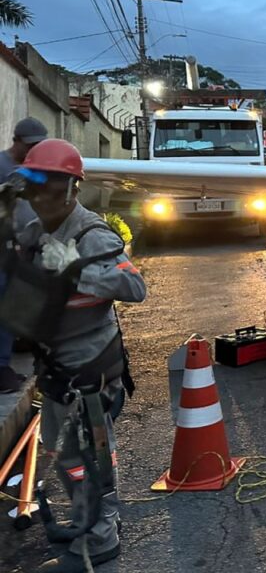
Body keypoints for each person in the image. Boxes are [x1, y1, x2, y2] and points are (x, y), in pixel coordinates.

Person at [12, 139, 146, 571]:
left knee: (86, 459)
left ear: (71, 189)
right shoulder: (35, 231)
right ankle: (93, 524)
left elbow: (134, 288)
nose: (40, 198)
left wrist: (77, 265)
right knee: (63, 453)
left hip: (90, 373)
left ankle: (100, 537)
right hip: (55, 370)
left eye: (50, 188)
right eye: (34, 189)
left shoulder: (92, 235)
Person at [0, 116, 48, 393]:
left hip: (26, 247)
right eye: (30, 145)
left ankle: (15, 354)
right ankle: (2, 367)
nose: (33, 150)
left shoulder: (36, 168)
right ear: (16, 140)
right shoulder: (2, 165)